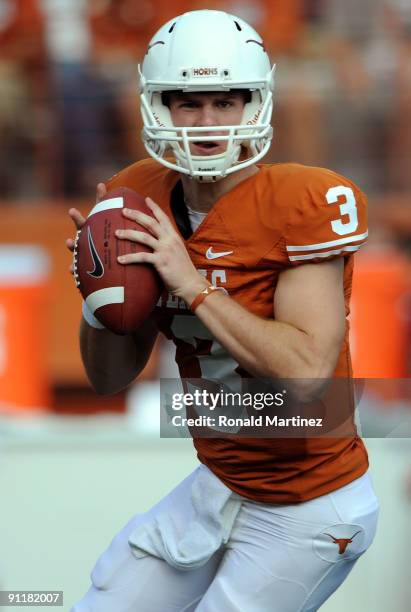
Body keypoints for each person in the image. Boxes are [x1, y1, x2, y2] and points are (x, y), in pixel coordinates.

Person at [67, 10, 379, 612]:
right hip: (224, 483)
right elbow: (107, 380)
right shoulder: (139, 193)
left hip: (309, 502)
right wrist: (100, 294)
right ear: (157, 107)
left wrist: (191, 284)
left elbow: (308, 376)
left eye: (225, 101)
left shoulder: (302, 203)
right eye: (187, 103)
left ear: (254, 105)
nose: (207, 122)